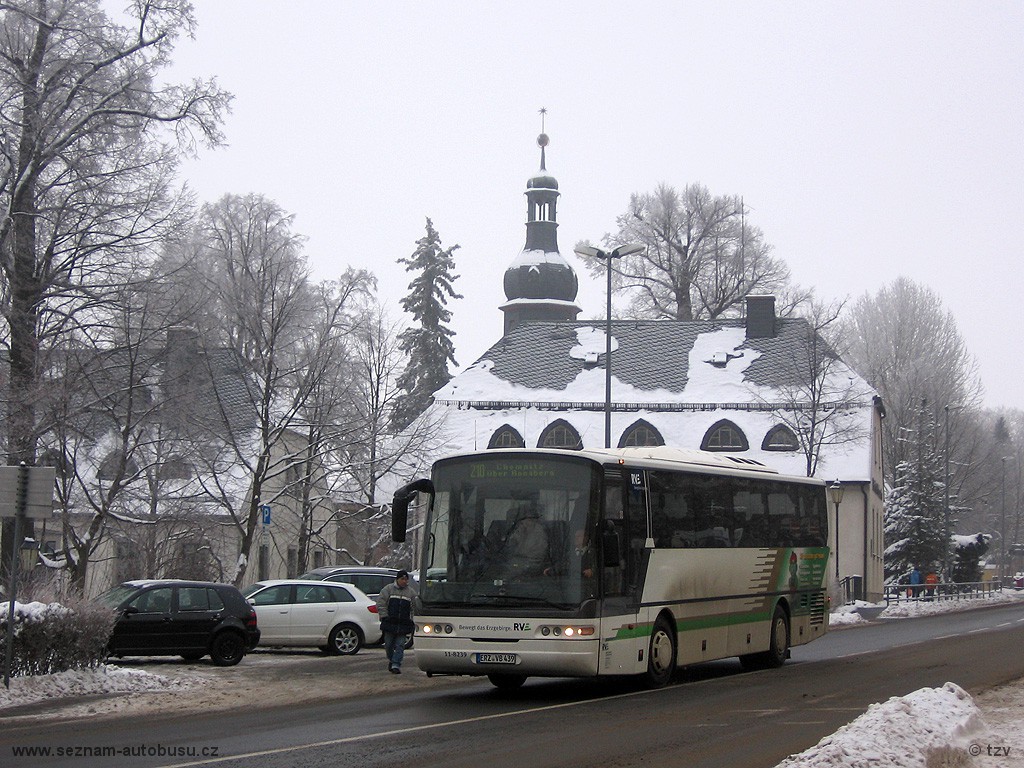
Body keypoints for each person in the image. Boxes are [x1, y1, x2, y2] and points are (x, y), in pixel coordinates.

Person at [376, 570, 416, 674]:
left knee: (400, 645)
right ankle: (392, 659)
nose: (404, 581)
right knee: (388, 645)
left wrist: (411, 620)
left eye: (406, 579)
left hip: (403, 624)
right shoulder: (388, 589)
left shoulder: (411, 593)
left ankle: (396, 664)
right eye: (402, 579)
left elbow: (414, 608)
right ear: (397, 579)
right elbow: (381, 603)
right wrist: (385, 616)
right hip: (390, 623)